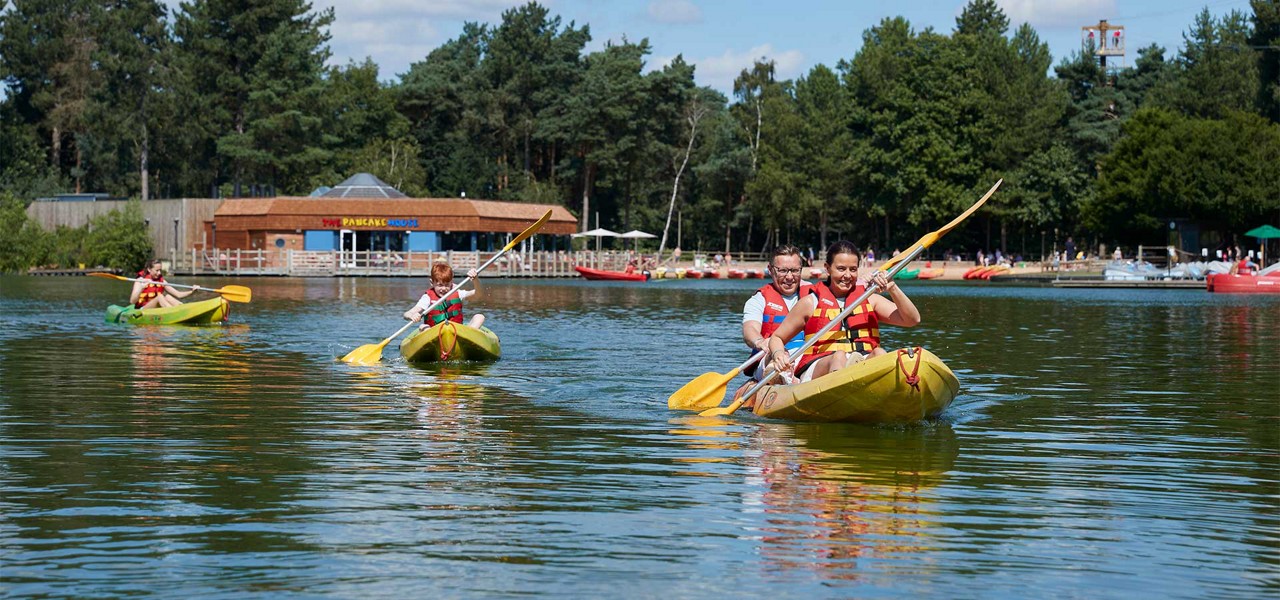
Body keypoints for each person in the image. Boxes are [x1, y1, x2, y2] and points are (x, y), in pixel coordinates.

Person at [766, 240, 921, 384]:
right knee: (838, 356)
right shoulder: (810, 303)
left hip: (862, 360)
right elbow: (777, 337)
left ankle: (865, 376)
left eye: (853, 269)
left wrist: (892, 288)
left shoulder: (870, 299)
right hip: (820, 366)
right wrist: (778, 354)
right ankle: (845, 381)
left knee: (879, 353)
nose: (847, 275)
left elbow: (912, 320)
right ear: (827, 268)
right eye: (841, 269)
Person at [739, 245, 810, 384]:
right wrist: (759, 342)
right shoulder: (759, 299)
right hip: (770, 355)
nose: (789, 277)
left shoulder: (813, 295)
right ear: (770, 270)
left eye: (795, 271)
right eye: (783, 271)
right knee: (777, 356)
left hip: (806, 356)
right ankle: (777, 376)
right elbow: (750, 330)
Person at [403, 262, 484, 330]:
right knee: (422, 326)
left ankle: (467, 339)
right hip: (435, 333)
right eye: (440, 285)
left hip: (457, 332)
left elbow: (478, 295)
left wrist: (475, 280)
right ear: (432, 283)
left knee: (479, 317)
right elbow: (407, 314)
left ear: (451, 282)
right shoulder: (427, 298)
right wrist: (412, 316)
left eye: (447, 285)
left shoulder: (458, 293)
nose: (444, 288)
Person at [130, 259, 199, 309]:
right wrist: (141, 288)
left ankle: (182, 309)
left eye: (160, 270)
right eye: (157, 270)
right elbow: (132, 301)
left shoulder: (162, 281)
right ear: (149, 269)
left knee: (167, 296)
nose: (159, 273)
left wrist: (192, 291)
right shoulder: (140, 281)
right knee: (160, 297)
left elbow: (178, 294)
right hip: (143, 308)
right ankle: (173, 313)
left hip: (156, 308)